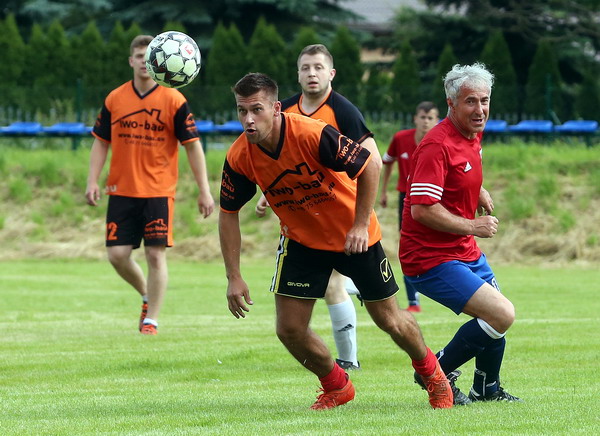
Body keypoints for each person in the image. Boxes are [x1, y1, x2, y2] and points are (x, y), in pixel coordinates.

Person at [219, 72, 453, 410]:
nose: (248, 119)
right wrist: (234, 276)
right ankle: (337, 386)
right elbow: (228, 213)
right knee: (289, 329)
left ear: (275, 108)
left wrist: (360, 225)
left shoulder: (312, 134)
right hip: (302, 242)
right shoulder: (240, 155)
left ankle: (434, 375)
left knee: (389, 320)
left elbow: (369, 166)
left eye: (256, 109)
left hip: (354, 236)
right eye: (242, 111)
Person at [400, 63, 521, 404]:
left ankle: (486, 388)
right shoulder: (436, 145)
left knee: (496, 315)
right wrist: (472, 226)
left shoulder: (471, 133)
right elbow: (421, 209)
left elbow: (460, 169)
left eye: (485, 100)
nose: (480, 109)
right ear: (451, 103)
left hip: (462, 250)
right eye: (470, 101)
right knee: (501, 313)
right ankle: (434, 371)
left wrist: (477, 189)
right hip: (429, 257)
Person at [85, 35, 215, 335]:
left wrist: (204, 190)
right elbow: (101, 142)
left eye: (149, 56)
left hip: (158, 191)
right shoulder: (115, 98)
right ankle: (147, 295)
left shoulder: (174, 99)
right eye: (139, 56)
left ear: (159, 60)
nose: (144, 61)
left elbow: (192, 146)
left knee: (155, 254)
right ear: (131, 61)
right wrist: (92, 180)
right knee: (117, 255)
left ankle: (151, 321)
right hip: (121, 190)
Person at [254, 44, 368, 370]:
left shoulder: (344, 112)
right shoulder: (284, 110)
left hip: (341, 211)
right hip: (304, 216)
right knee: (332, 283)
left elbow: (368, 161)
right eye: (305, 68)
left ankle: (348, 360)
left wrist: (361, 217)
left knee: (332, 285)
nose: (312, 73)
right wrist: (267, 193)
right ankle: (356, 287)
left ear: (331, 73)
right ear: (297, 74)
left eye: (318, 67)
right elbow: (278, 160)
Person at [380, 101, 439, 312]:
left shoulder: (441, 142)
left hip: (434, 197)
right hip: (407, 198)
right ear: (415, 119)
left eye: (430, 118)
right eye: (422, 117)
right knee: (407, 245)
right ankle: (413, 302)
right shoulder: (400, 138)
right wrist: (384, 191)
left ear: (437, 120)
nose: (426, 122)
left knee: (436, 244)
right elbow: (387, 162)